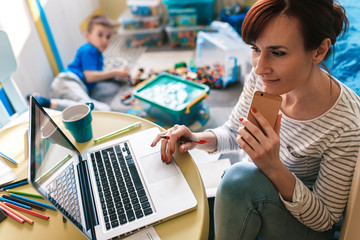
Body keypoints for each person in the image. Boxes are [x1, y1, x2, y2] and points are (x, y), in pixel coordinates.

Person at [151, 0, 360, 239]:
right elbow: (233, 132)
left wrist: (273, 167)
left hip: (303, 224)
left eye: (278, 53)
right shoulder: (265, 79)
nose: (260, 68)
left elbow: (324, 220)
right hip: (254, 190)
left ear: (319, 51)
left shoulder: (346, 125)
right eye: (255, 49)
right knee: (183, 208)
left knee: (237, 181)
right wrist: (196, 138)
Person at [28, 15, 130, 111]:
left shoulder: (97, 53)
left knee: (78, 111)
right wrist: (114, 72)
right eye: (100, 35)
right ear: (88, 36)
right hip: (68, 81)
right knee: (96, 109)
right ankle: (44, 102)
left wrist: (116, 75)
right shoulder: (89, 49)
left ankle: (47, 104)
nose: (104, 40)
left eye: (108, 37)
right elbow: (90, 76)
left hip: (69, 87)